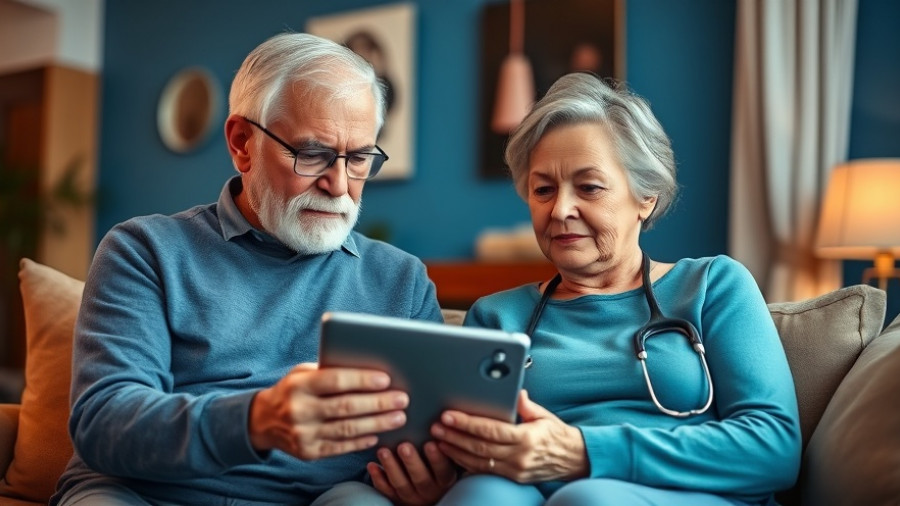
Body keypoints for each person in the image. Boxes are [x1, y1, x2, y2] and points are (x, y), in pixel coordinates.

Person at [369, 73, 801, 505]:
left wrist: (582, 452)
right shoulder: (497, 317)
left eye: (589, 187)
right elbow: (470, 447)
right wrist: (439, 477)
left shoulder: (712, 286)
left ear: (645, 195)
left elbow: (773, 447)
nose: (559, 209)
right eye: (543, 190)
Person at [51, 32, 443, 505]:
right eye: (312, 153)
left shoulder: (402, 282)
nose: (339, 184)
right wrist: (256, 420)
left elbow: (425, 438)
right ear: (242, 144)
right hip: (143, 493)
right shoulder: (144, 249)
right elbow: (103, 421)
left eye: (359, 158)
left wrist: (432, 473)